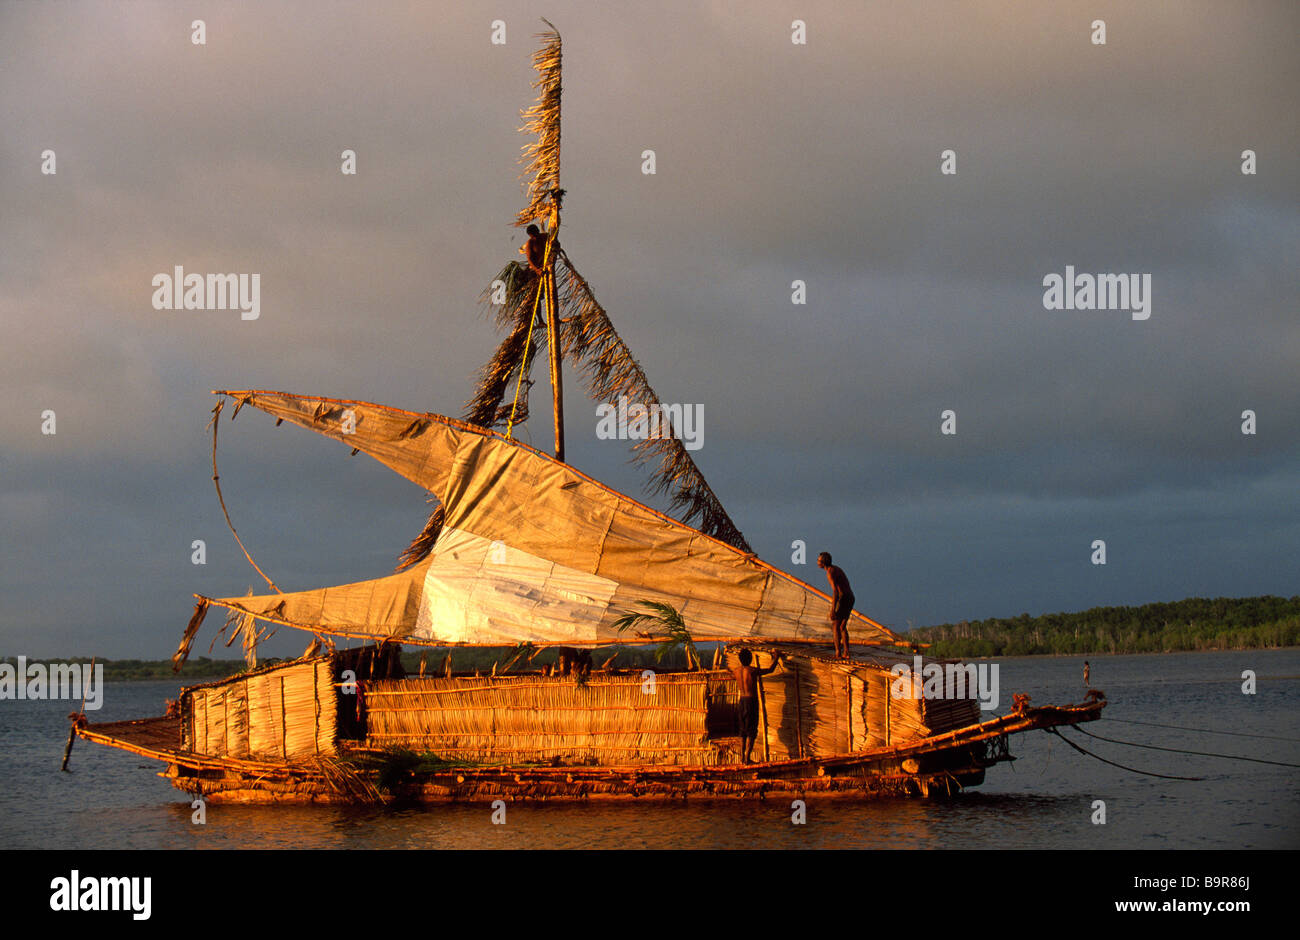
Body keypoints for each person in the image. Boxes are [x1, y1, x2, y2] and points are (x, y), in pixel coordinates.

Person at [730, 649, 782, 763]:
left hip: (741, 701)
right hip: (751, 701)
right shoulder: (752, 670)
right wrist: (776, 657)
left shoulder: (736, 671)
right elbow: (770, 670)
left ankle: (742, 758)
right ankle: (747, 758)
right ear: (750, 659)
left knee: (742, 730)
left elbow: (730, 674)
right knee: (751, 730)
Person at [817, 552, 855, 658]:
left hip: (843, 598)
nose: (817, 562)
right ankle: (846, 652)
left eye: (819, 561)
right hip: (850, 597)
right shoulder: (836, 569)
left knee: (835, 625)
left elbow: (835, 592)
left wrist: (833, 609)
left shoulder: (830, 572)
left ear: (823, 562)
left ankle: (838, 652)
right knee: (842, 626)